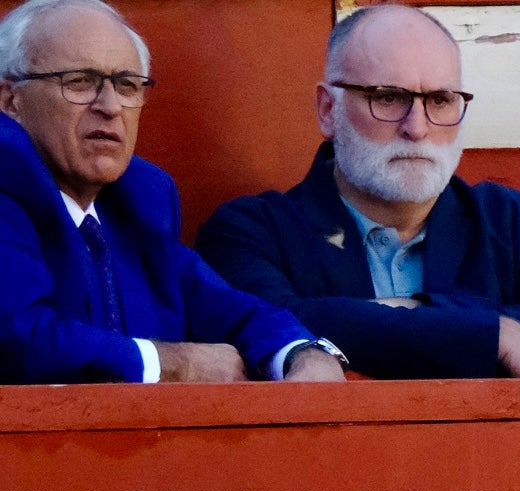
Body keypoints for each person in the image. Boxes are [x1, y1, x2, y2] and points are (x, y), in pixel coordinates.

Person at [197, 1, 520, 382]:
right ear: (328, 110)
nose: (417, 128)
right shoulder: (251, 232)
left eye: (440, 100)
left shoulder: (514, 223)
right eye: (389, 97)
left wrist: (410, 311)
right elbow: (275, 323)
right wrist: (497, 334)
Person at [0, 0, 340, 384]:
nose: (110, 107)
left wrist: (301, 352)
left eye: (127, 85)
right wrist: (174, 364)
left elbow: (227, 308)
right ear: (10, 99)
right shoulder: (7, 180)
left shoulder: (134, 202)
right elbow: (17, 335)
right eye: (79, 81)